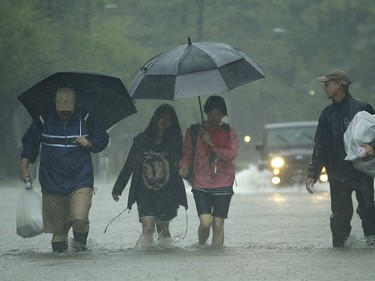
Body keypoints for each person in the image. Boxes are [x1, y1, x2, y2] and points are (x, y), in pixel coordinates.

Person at [19, 87, 109, 253]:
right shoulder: (43, 118)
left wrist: (89, 143)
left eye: (68, 111)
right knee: (58, 232)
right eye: (61, 111)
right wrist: (24, 166)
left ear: (75, 105)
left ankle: (80, 250)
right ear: (55, 105)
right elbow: (30, 143)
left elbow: (103, 138)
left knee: (79, 219)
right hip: (51, 183)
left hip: (81, 180)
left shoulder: (86, 117)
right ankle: (61, 260)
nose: (64, 113)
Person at [305, 69, 375, 247]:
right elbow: (320, 146)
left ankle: (371, 244)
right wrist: (312, 173)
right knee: (339, 216)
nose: (324, 88)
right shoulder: (326, 114)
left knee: (369, 209)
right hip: (336, 173)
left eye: (327, 84)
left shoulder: (362, 108)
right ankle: (339, 248)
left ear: (339, 85)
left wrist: (371, 147)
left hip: (360, 171)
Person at [112, 104, 188, 248]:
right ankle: (148, 258)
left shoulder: (174, 142)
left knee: (163, 230)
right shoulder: (141, 140)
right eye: (162, 116)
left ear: (172, 122)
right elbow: (129, 165)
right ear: (155, 118)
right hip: (144, 192)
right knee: (148, 228)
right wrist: (118, 189)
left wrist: (188, 174)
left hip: (167, 193)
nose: (164, 121)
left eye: (168, 118)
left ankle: (165, 258)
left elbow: (181, 164)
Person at [179, 95, 239, 247]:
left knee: (218, 225)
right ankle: (201, 247)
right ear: (206, 113)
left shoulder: (229, 131)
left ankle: (215, 257)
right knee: (206, 223)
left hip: (224, 182)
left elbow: (231, 154)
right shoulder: (193, 131)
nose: (216, 119)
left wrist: (211, 145)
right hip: (201, 183)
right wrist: (184, 166)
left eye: (219, 115)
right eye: (212, 115)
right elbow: (187, 153)